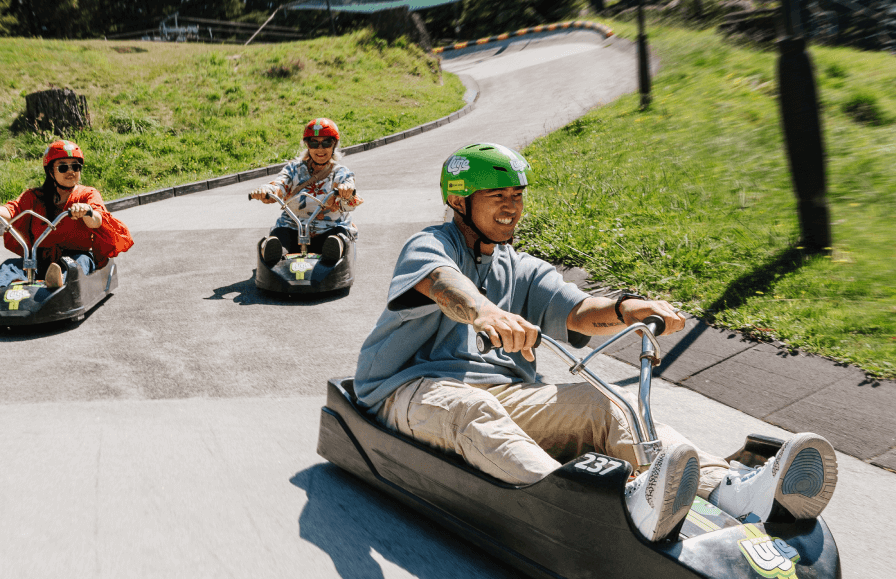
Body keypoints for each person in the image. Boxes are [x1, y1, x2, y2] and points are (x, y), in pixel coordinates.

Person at [354, 142, 839, 541]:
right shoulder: (431, 244)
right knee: (472, 412)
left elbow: (580, 311)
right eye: (496, 195)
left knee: (606, 401)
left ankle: (734, 491)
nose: (511, 207)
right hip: (409, 388)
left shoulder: (519, 267)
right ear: (460, 201)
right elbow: (443, 285)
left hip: (501, 394)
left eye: (517, 195)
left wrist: (629, 308)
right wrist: (486, 313)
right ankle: (586, 506)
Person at [0, 140, 134, 291]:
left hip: (77, 255)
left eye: (75, 167)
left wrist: (86, 211)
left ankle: (59, 283)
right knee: (11, 266)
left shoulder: (88, 194)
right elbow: (13, 210)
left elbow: (97, 220)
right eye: (63, 167)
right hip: (42, 259)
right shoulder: (34, 196)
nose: (70, 171)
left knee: (79, 263)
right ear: (50, 172)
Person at [249, 117, 362, 266]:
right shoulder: (293, 169)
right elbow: (280, 184)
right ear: (307, 145)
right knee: (279, 235)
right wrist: (266, 190)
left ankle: (335, 250)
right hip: (293, 227)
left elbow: (347, 187)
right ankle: (275, 252)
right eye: (314, 143)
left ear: (334, 145)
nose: (320, 149)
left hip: (329, 229)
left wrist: (346, 190)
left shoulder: (339, 172)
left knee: (337, 236)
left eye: (326, 143)